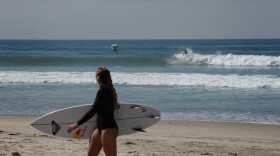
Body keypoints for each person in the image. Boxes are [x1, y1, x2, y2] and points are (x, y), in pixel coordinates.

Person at [67, 67, 119, 156]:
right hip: (99, 128)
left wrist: (76, 125)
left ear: (98, 78)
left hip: (108, 129)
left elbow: (93, 110)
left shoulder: (103, 91)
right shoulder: (110, 90)